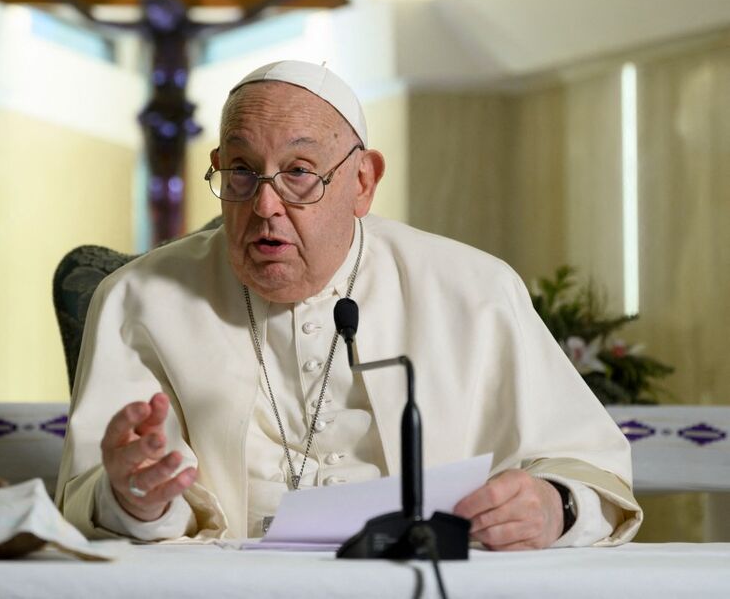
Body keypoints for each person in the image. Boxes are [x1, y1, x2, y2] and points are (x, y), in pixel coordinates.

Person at [56, 60, 642, 549]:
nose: (265, 207)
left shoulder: (475, 290)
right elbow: (100, 500)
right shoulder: (138, 299)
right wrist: (136, 499)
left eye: (300, 173)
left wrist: (552, 507)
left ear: (363, 180)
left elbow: (587, 471)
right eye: (240, 172)